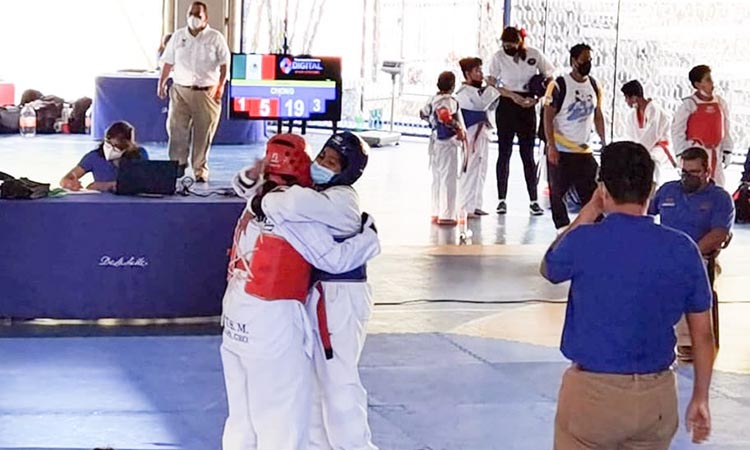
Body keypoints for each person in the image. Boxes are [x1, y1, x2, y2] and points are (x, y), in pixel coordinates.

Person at [541, 141, 714, 449]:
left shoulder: (584, 241)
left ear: (603, 189)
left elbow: (549, 266)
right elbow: (703, 336)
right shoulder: (683, 248)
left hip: (593, 395)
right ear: (651, 190)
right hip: (656, 398)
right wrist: (700, 396)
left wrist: (591, 209)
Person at [222, 133, 380, 450]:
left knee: (335, 383)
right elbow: (325, 250)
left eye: (331, 162)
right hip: (284, 305)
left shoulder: (336, 199)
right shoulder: (283, 205)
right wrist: (370, 238)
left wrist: (257, 187)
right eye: (320, 157)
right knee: (291, 401)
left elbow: (260, 193)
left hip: (334, 296)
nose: (321, 165)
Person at [648, 146, 734, 361]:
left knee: (682, 278)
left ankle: (687, 341)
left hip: (699, 256)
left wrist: (689, 253)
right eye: (684, 172)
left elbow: (720, 233)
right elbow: (643, 212)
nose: (687, 178)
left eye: (693, 173)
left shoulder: (720, 198)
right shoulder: (668, 190)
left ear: (707, 171)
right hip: (662, 254)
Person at [157, 1, 230, 182]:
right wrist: (162, 83)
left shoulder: (215, 37)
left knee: (203, 132)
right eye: (191, 14)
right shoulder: (178, 36)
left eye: (198, 15)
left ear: (206, 18)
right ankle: (177, 164)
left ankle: (200, 168)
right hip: (181, 89)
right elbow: (168, 61)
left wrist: (220, 86)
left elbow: (224, 64)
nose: (194, 18)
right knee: (176, 129)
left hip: (207, 91)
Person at [487, 26, 554, 216]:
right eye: (505, 44)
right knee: (504, 152)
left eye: (512, 44)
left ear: (520, 42)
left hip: (527, 105)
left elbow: (550, 77)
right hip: (507, 104)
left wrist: (538, 98)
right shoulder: (498, 57)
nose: (508, 47)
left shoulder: (534, 55)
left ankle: (533, 200)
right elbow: (491, 82)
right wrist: (509, 95)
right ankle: (501, 199)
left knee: (527, 155)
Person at [543, 43, 606, 230]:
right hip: (561, 149)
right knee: (557, 192)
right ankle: (562, 228)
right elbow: (548, 116)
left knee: (593, 191)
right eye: (584, 60)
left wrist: (603, 141)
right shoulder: (559, 85)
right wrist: (551, 145)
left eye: (590, 60)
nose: (588, 63)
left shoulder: (594, 85)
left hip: (584, 150)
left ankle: (597, 227)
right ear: (573, 61)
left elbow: (598, 114)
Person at [672, 65, 733, 187]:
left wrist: (727, 149)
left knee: (718, 185)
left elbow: (726, 127)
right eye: (708, 79)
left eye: (711, 79)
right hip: (696, 152)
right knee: (696, 185)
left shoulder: (720, 103)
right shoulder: (689, 104)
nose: (712, 83)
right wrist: (681, 154)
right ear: (698, 84)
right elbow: (677, 130)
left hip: (716, 152)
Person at [455, 57, 501, 218]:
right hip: (471, 134)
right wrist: (491, 88)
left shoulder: (478, 91)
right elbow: (480, 106)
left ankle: (476, 204)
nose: (481, 74)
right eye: (477, 71)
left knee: (481, 169)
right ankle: (465, 206)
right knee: (471, 169)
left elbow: (489, 105)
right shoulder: (463, 93)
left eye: (481, 70)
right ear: (467, 74)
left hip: (482, 134)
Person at [419, 71, 465, 225]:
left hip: (435, 141)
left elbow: (422, 114)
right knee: (448, 178)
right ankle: (447, 214)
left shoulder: (433, 99)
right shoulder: (448, 100)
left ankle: (436, 211)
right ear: (452, 85)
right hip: (447, 142)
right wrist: (457, 127)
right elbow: (444, 115)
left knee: (437, 178)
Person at [59, 121, 148, 192]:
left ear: (128, 146)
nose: (111, 149)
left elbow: (142, 182)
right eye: (109, 144)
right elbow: (66, 178)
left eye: (117, 146)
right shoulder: (94, 157)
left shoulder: (139, 155)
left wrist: (102, 185)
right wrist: (70, 184)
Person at [621, 79, 678, 187]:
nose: (626, 101)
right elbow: (631, 136)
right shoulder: (632, 116)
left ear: (634, 97)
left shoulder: (654, 110)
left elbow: (653, 133)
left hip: (659, 148)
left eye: (626, 98)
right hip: (642, 149)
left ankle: (654, 188)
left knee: (651, 161)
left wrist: (639, 151)